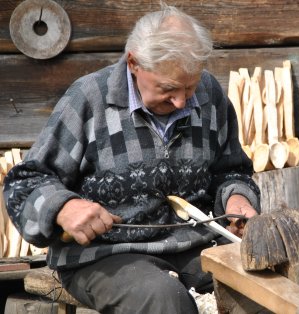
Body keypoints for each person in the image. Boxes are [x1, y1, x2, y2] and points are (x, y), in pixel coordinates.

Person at [3, 4, 260, 313]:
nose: (181, 102)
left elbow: (232, 171)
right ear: (134, 63)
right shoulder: (89, 99)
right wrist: (64, 207)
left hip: (196, 246)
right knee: (164, 301)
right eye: (168, 89)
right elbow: (24, 183)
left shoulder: (209, 94)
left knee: (265, 286)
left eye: (189, 88)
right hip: (105, 255)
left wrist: (237, 199)